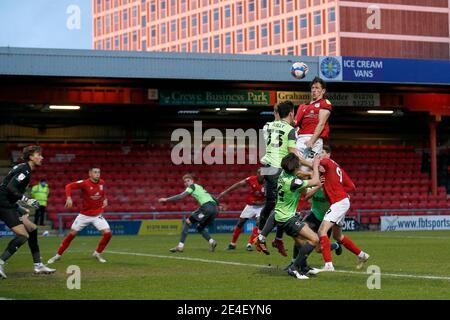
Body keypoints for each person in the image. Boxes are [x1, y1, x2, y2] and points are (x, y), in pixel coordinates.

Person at [301, 145, 369, 271]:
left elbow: (314, 166)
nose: (319, 154)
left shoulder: (326, 161)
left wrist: (300, 159)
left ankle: (328, 265)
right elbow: (352, 186)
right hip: (341, 202)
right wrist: (338, 191)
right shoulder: (337, 168)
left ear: (328, 154)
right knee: (338, 236)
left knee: (321, 231)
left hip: (339, 202)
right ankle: (362, 255)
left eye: (322, 152)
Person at [0, 145, 55, 279]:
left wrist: (19, 206)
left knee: (32, 228)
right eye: (39, 155)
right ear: (31, 157)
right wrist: (27, 200)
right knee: (23, 236)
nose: (41, 157)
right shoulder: (24, 170)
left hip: (10, 203)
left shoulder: (24, 168)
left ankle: (38, 265)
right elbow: (10, 187)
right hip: (3, 204)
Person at [256, 101, 304, 256]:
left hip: (267, 167)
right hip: (278, 169)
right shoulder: (290, 130)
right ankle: (263, 237)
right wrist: (310, 163)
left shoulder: (267, 126)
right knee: (283, 209)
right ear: (291, 113)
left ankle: (271, 236)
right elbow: (292, 154)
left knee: (274, 204)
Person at [47, 167, 111, 264]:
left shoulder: (102, 182)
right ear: (90, 174)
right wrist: (68, 198)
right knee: (72, 234)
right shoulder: (84, 183)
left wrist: (105, 198)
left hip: (97, 215)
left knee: (108, 233)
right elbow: (68, 186)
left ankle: (97, 253)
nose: (97, 174)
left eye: (98, 172)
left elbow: (103, 193)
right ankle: (58, 255)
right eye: (95, 172)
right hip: (84, 215)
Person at [274, 153, 322, 279]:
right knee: (314, 239)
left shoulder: (283, 175)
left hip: (282, 216)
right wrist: (315, 166)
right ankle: (293, 268)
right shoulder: (294, 182)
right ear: (294, 168)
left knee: (301, 243)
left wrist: (317, 187)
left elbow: (306, 195)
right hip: (288, 218)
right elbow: (316, 180)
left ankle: (304, 268)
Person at [159, 174, 218, 253]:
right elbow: (211, 196)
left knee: (187, 222)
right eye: (185, 182)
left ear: (192, 181)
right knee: (200, 228)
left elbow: (180, 196)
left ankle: (180, 246)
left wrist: (166, 199)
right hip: (214, 210)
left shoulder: (192, 187)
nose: (186, 183)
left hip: (206, 208)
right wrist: (219, 204)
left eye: (188, 181)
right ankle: (212, 242)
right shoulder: (199, 186)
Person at [217, 170, 264, 251]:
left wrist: (262, 203)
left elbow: (272, 197)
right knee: (240, 222)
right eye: (259, 173)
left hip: (262, 206)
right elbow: (238, 184)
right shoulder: (252, 179)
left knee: (259, 223)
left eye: (263, 174)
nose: (261, 175)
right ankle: (232, 244)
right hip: (251, 205)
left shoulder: (269, 183)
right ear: (257, 174)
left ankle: (250, 244)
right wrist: (225, 192)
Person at [295, 77, 332, 160]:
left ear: (323, 91)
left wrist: (312, 141)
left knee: (310, 167)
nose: (314, 90)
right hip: (300, 139)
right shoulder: (302, 106)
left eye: (317, 88)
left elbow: (321, 124)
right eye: (312, 88)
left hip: (315, 140)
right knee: (297, 167)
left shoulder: (325, 103)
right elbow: (295, 124)